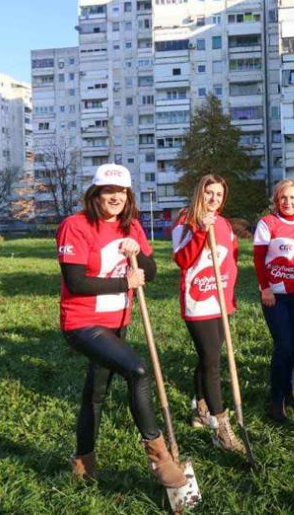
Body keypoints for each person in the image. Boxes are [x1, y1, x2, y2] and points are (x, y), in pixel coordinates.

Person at [56, 164, 186, 488]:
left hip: (117, 322)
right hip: (83, 322)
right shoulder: (76, 226)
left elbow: (151, 272)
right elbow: (75, 282)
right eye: (108, 191)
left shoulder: (132, 228)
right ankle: (160, 457)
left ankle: (83, 463)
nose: (115, 197)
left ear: (128, 196)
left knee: (95, 394)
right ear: (96, 194)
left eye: (121, 191)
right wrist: (124, 282)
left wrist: (137, 253)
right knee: (137, 371)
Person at [171, 174, 243, 454]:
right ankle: (221, 427)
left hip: (220, 300)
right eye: (209, 193)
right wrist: (200, 230)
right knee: (212, 361)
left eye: (219, 194)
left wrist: (229, 295)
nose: (214, 199)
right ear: (199, 193)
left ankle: (199, 405)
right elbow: (181, 259)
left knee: (207, 357)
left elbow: (231, 261)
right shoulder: (185, 220)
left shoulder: (224, 224)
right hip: (198, 300)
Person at [253, 179, 294, 423]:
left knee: (293, 344)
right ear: (276, 201)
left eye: (292, 198)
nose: (287, 202)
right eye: (283, 198)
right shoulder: (267, 223)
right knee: (284, 346)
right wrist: (265, 288)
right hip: (274, 294)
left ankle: (290, 390)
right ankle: (276, 401)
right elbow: (258, 260)